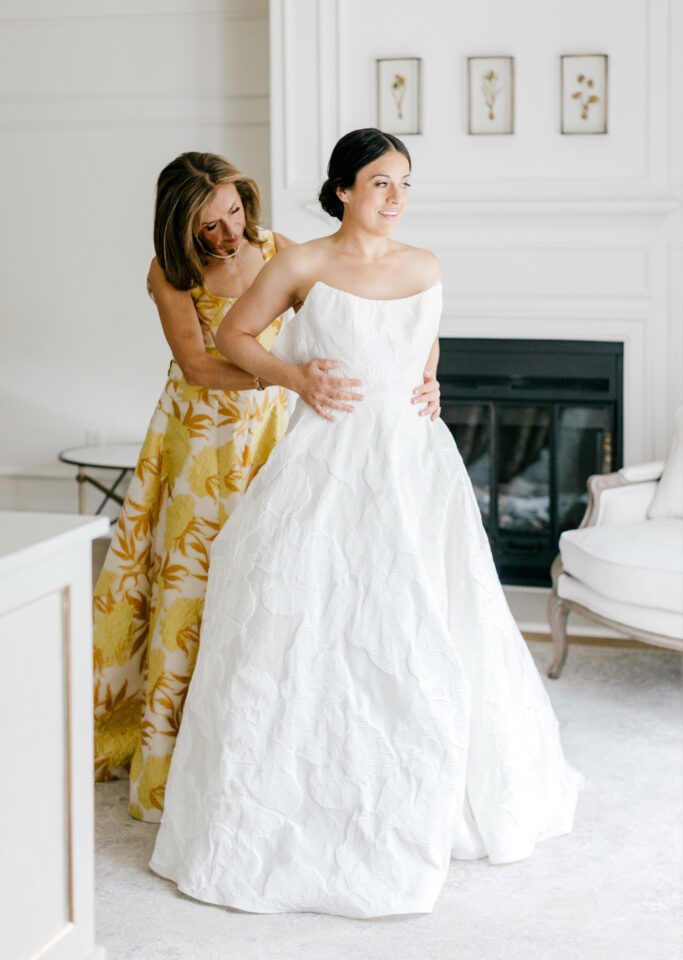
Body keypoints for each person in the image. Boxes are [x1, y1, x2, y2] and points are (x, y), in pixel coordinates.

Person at [150, 130, 582, 917]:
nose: (396, 198)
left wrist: (430, 381)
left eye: (405, 184)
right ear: (343, 188)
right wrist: (292, 377)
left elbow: (424, 335)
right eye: (381, 183)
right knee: (306, 619)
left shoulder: (425, 265)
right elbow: (232, 337)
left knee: (424, 619)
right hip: (328, 459)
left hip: (413, 464)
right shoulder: (299, 262)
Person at [93, 150, 441, 823]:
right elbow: (198, 365)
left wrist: (413, 371)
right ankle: (173, 752)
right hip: (205, 436)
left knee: (278, 576)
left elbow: (351, 319)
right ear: (181, 227)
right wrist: (285, 378)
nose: (228, 232)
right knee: (201, 579)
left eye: (232, 212)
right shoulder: (169, 272)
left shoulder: (278, 247)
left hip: (283, 424)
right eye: (209, 225)